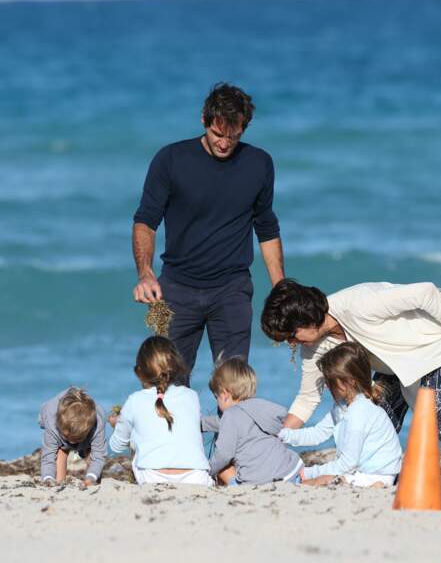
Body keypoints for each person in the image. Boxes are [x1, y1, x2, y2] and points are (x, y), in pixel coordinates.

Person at [261, 279, 441, 481]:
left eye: (292, 335)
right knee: (372, 413)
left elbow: (426, 292)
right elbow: (307, 398)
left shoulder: (358, 305)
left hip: (439, 343)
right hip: (394, 363)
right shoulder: (312, 347)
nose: (292, 343)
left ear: (307, 319)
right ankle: (371, 476)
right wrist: (276, 439)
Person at [132, 83, 285, 377]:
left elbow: (266, 226)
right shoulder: (171, 160)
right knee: (168, 382)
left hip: (232, 290)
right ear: (203, 119)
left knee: (234, 384)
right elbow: (146, 221)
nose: (225, 143)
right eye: (218, 134)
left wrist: (280, 288)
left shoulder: (259, 163)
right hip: (177, 288)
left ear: (244, 128)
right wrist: (145, 273)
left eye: (234, 136)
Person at [278, 342, 402, 487]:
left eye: (330, 382)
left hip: (377, 473)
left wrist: (307, 472)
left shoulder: (359, 413)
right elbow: (318, 433)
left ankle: (376, 485)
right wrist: (282, 435)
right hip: (360, 470)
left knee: (317, 481)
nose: (326, 386)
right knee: (315, 479)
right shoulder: (342, 407)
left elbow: (347, 464)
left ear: (349, 382)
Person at [108, 336, 212, 486]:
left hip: (152, 477)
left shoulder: (135, 400)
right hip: (196, 476)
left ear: (139, 372)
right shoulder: (191, 396)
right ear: (176, 367)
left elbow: (116, 446)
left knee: (137, 438)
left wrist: (118, 423)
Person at [200, 356, 303, 486]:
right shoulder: (262, 407)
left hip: (259, 482)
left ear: (225, 394)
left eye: (217, 397)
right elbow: (226, 423)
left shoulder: (231, 415)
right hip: (290, 472)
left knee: (223, 470)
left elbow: (223, 455)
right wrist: (201, 423)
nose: (217, 401)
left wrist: (207, 470)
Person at [38, 387, 106, 485]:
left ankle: (93, 481)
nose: (72, 443)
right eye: (69, 437)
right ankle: (58, 482)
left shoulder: (97, 422)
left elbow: (99, 455)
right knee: (61, 450)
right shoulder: (51, 421)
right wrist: (47, 478)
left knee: (91, 452)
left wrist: (92, 476)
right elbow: (48, 456)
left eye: (77, 438)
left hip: (87, 434)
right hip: (57, 427)